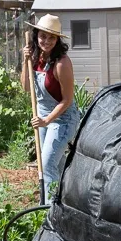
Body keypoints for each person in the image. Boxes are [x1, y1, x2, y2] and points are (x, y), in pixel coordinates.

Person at [21, 14, 79, 202]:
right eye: (42, 36)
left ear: (57, 39)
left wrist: (47, 120)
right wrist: (25, 61)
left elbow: (67, 100)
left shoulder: (62, 63)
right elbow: (25, 87)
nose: (46, 41)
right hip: (43, 117)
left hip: (62, 118)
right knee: (57, 166)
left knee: (47, 166)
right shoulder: (35, 57)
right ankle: (67, 201)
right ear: (36, 35)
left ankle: (48, 210)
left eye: (51, 37)